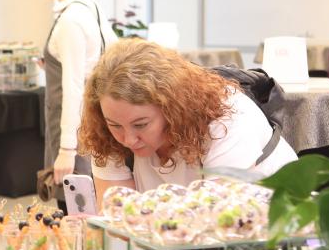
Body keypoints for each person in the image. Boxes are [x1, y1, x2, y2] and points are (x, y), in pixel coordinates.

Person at [78, 39, 298, 207]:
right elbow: (117, 219)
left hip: (268, 235)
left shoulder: (228, 119)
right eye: (115, 125)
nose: (128, 139)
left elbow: (215, 220)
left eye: (141, 124)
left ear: (172, 108)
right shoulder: (105, 132)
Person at [38, 0, 116, 203]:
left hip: (74, 127)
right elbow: (104, 57)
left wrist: (66, 150)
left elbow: (73, 88)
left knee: (76, 208)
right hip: (92, 121)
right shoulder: (92, 8)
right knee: (92, 202)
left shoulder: (70, 20)